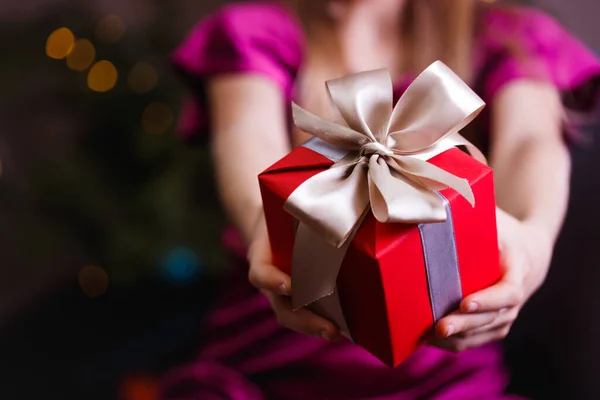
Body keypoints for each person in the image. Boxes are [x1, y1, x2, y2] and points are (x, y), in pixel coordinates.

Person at [161, 1, 600, 398]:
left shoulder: (507, 36)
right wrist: (264, 224)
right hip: (273, 354)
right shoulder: (259, 30)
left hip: (443, 372)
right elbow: (246, 132)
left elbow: (530, 141)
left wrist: (531, 235)